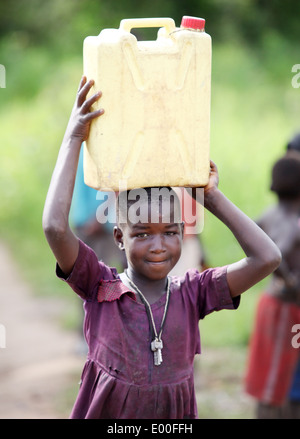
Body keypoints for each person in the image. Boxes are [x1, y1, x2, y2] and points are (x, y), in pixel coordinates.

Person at [42, 76, 281, 419]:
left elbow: (267, 257)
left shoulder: (194, 292)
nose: (158, 246)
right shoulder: (98, 286)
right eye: (142, 234)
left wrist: (209, 195)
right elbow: (54, 227)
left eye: (170, 232)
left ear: (183, 232)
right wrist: (73, 138)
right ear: (119, 238)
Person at [244, 151, 300, 419]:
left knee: (274, 375)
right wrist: (290, 281)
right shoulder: (295, 222)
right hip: (289, 309)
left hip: (272, 305)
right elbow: (280, 253)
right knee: (282, 378)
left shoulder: (267, 216)